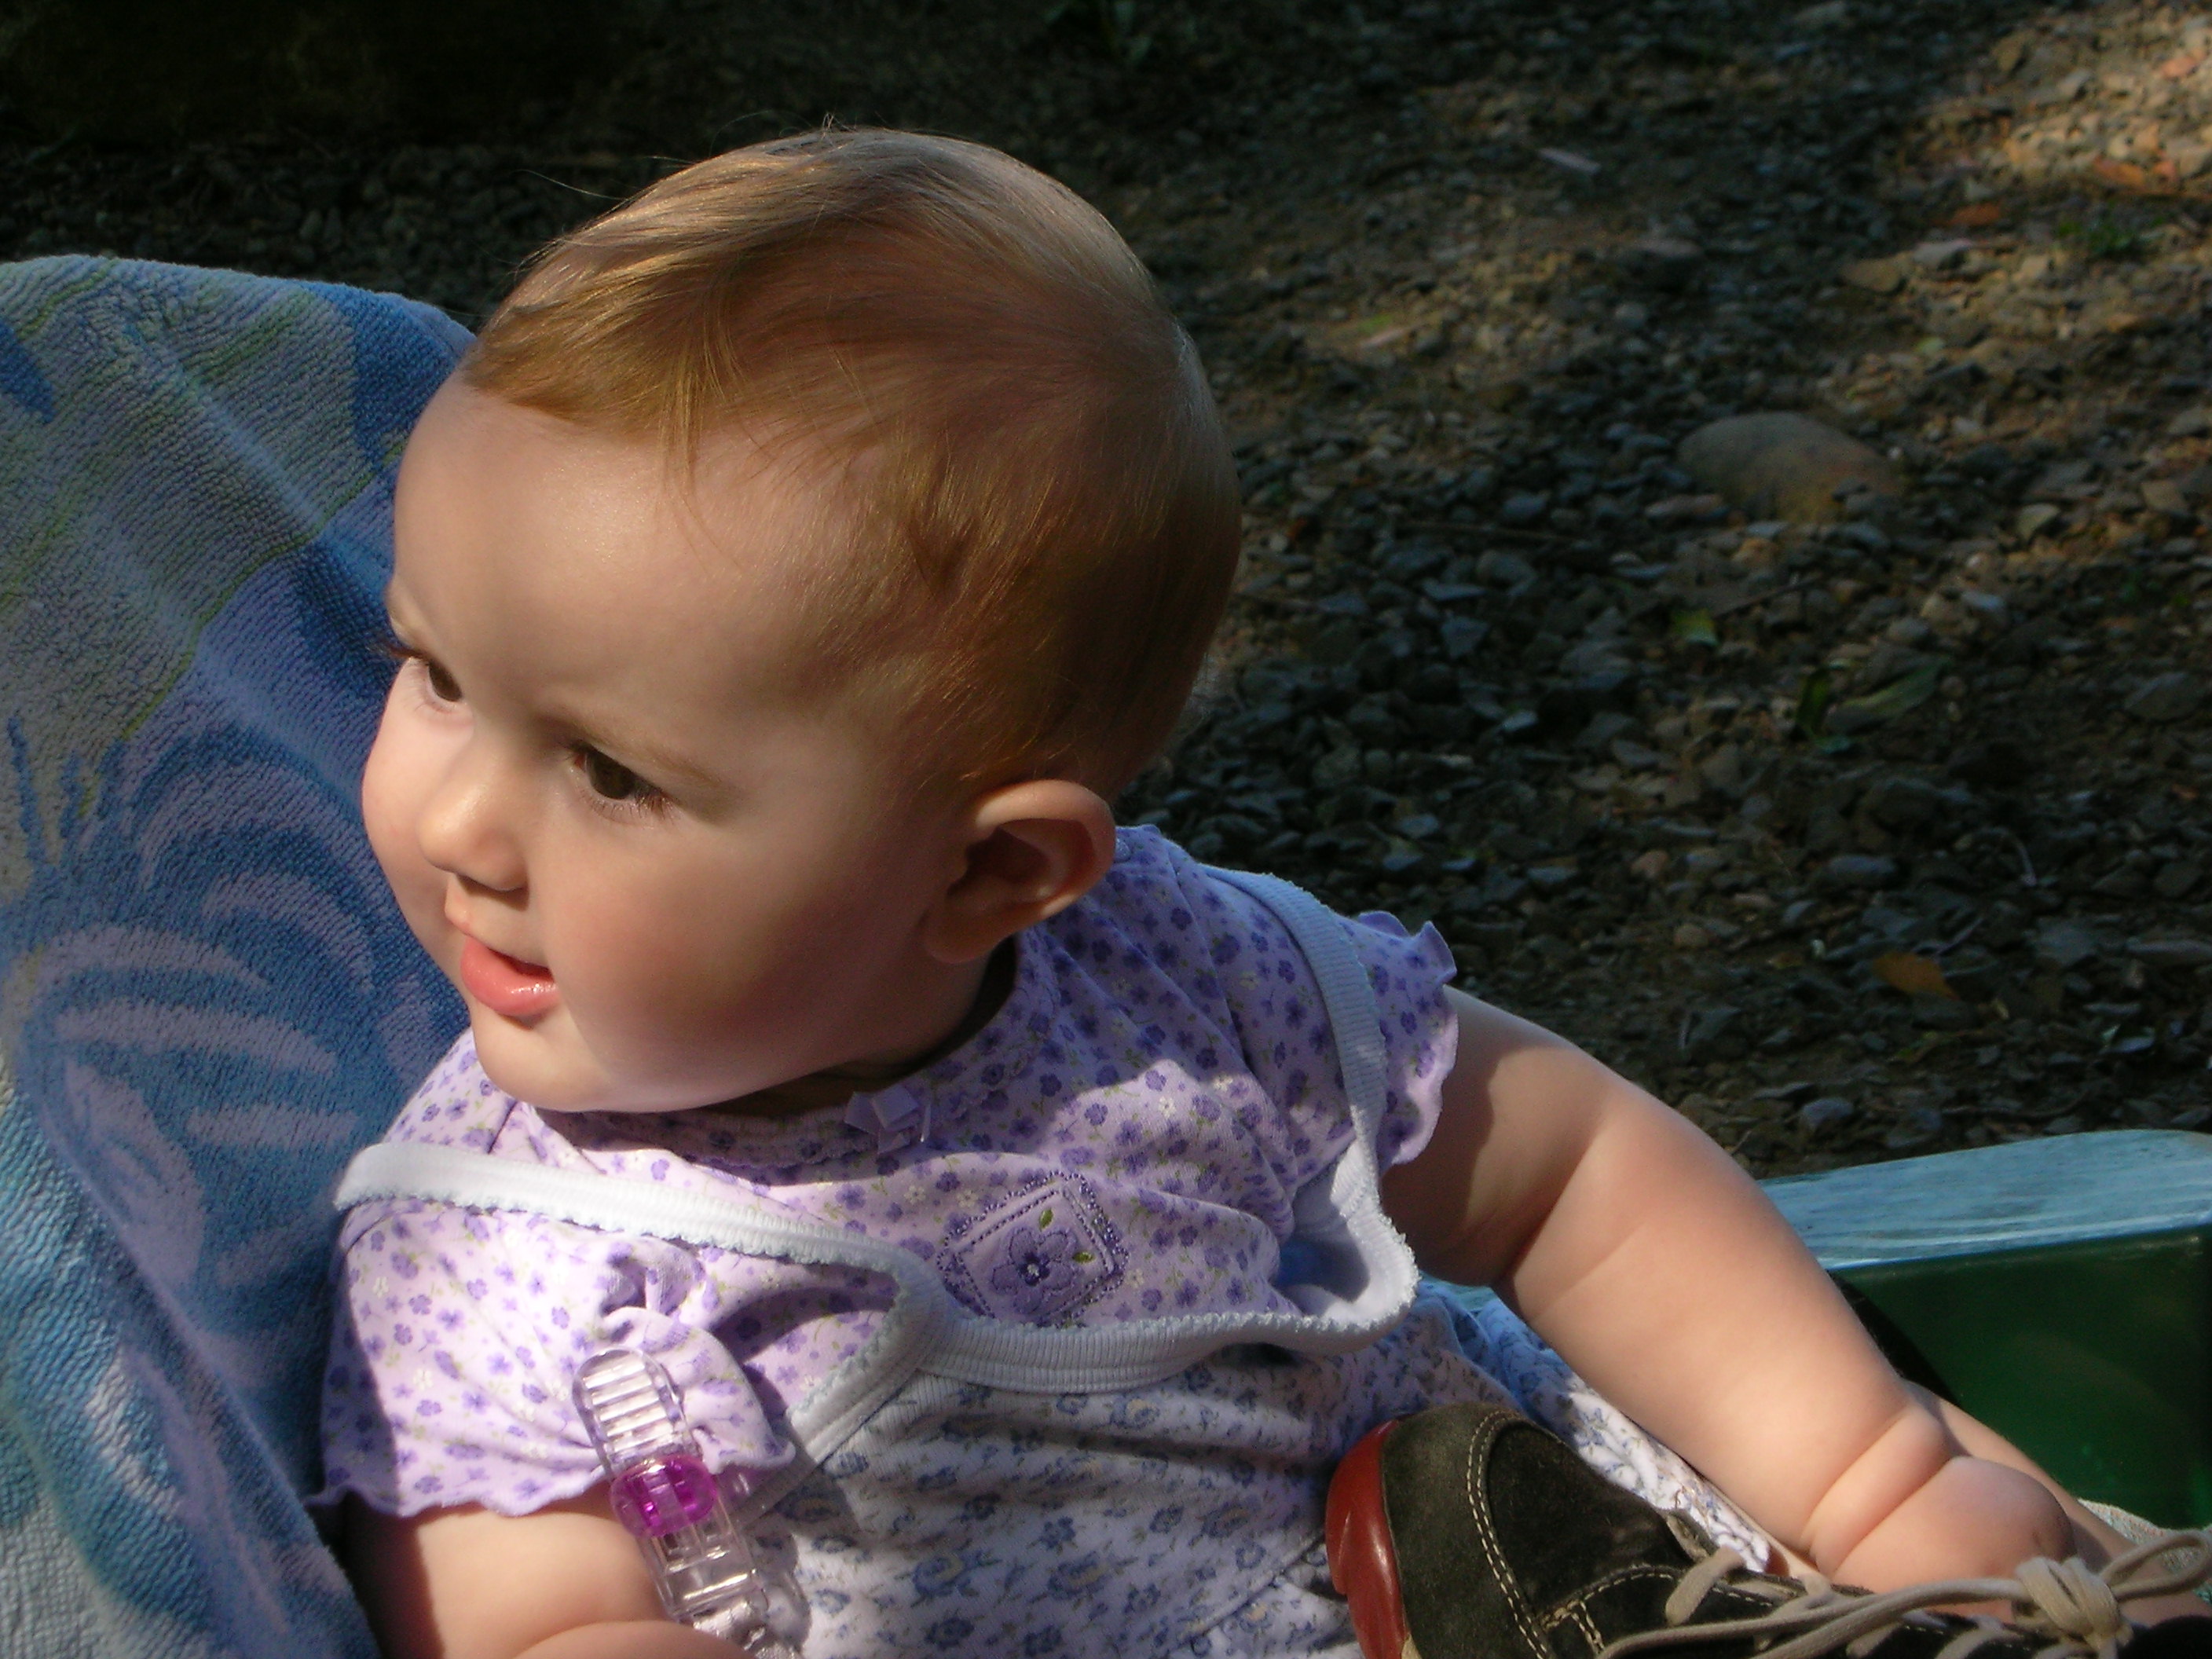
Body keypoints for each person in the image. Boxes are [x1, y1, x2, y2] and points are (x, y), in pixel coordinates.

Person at [313, 128, 2199, 1659]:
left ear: (996, 870)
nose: (459, 821)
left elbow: (1563, 1174)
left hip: (1597, 1585)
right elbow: (544, 1627)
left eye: (610, 772)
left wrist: (1870, 1484)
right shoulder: (492, 1257)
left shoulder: (1184, 987)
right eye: (434, 672)